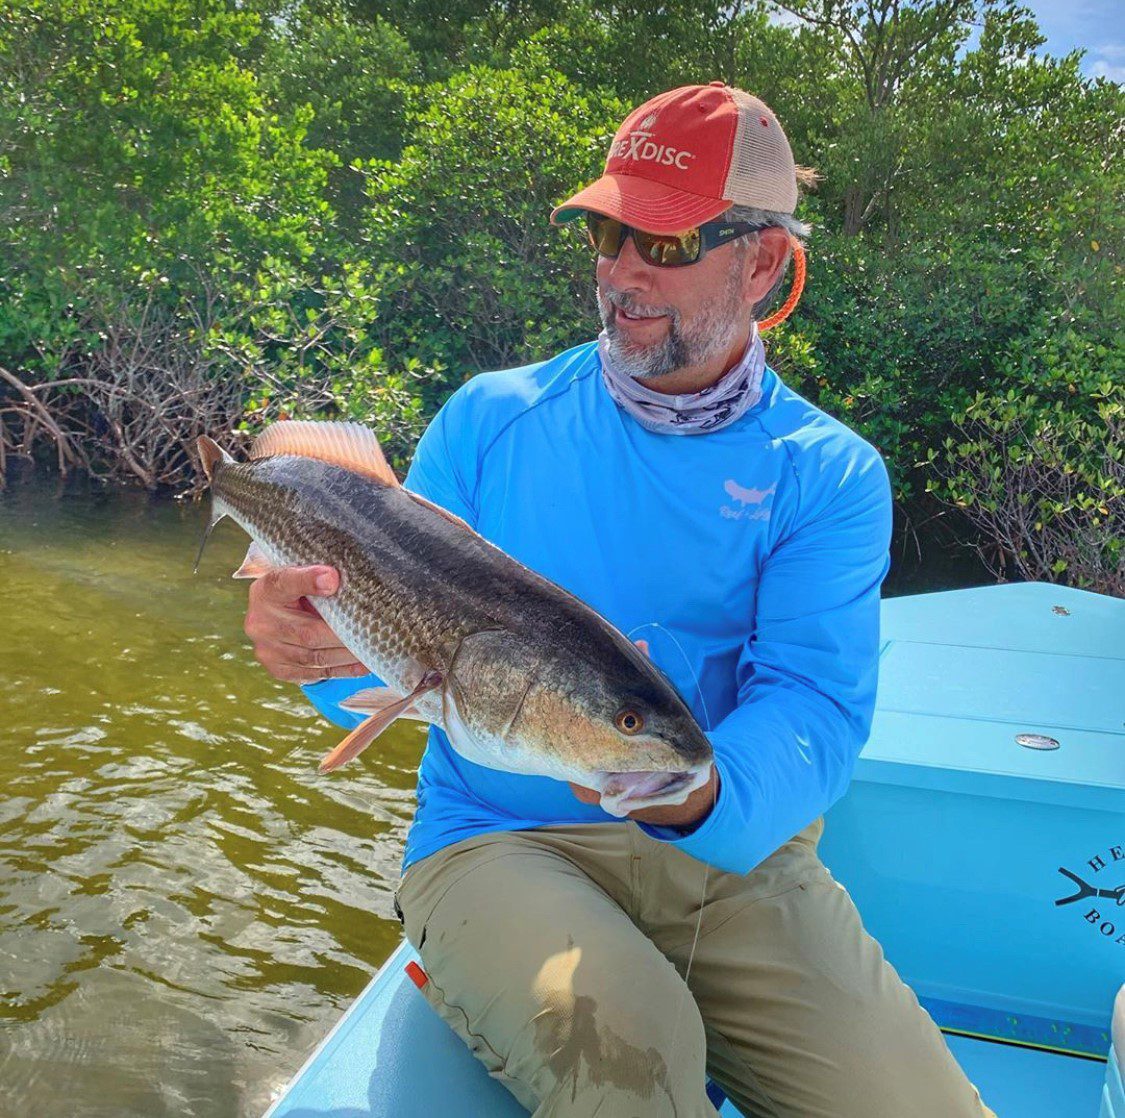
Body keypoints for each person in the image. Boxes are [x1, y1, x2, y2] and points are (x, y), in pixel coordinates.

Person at [243, 83, 994, 1117]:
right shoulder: (489, 419)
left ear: (764, 259)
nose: (623, 272)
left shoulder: (828, 474)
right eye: (607, 231)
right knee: (632, 1054)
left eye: (668, 242)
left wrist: (697, 795)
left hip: (734, 855)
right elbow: (392, 662)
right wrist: (307, 649)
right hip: (498, 837)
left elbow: (815, 708)